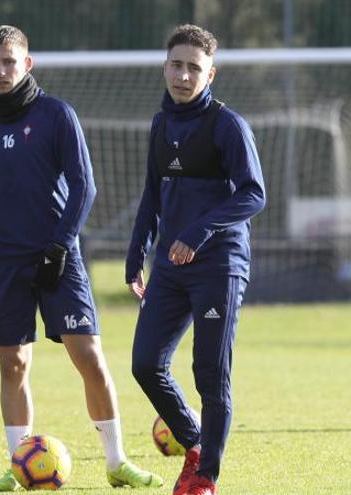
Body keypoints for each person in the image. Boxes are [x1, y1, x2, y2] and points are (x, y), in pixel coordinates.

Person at [0, 25, 163, 491]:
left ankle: (116, 460)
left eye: (9, 61)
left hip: (57, 257)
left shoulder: (57, 115)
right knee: (13, 364)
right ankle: (18, 464)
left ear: (28, 63)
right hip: (4, 261)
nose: (1, 71)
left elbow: (84, 186)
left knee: (87, 355)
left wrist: (61, 245)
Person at [125, 24, 266, 495]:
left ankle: (206, 478)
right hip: (169, 267)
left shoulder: (227, 126)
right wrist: (135, 254)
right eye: (177, 65)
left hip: (219, 265)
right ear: (164, 67)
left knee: (209, 372)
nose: (183, 76)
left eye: (194, 68)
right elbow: (152, 193)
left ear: (211, 74)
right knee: (146, 363)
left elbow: (253, 194)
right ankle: (195, 445)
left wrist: (200, 230)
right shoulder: (161, 124)